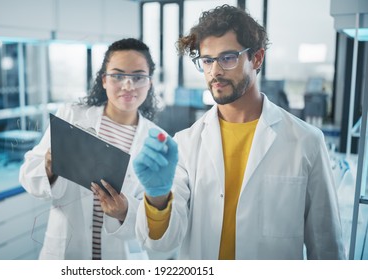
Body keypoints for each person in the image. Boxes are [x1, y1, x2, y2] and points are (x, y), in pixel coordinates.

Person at [132, 5, 346, 260]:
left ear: (256, 58)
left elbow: (327, 247)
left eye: (228, 57)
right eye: (207, 60)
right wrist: (157, 197)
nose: (215, 71)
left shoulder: (305, 141)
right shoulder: (186, 143)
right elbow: (163, 244)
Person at [19, 38, 164, 259]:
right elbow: (29, 176)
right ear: (104, 80)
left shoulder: (158, 142)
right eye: (117, 75)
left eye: (138, 77)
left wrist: (126, 211)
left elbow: (157, 216)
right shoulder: (72, 116)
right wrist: (49, 167)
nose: (128, 85)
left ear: (150, 82)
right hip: (66, 254)